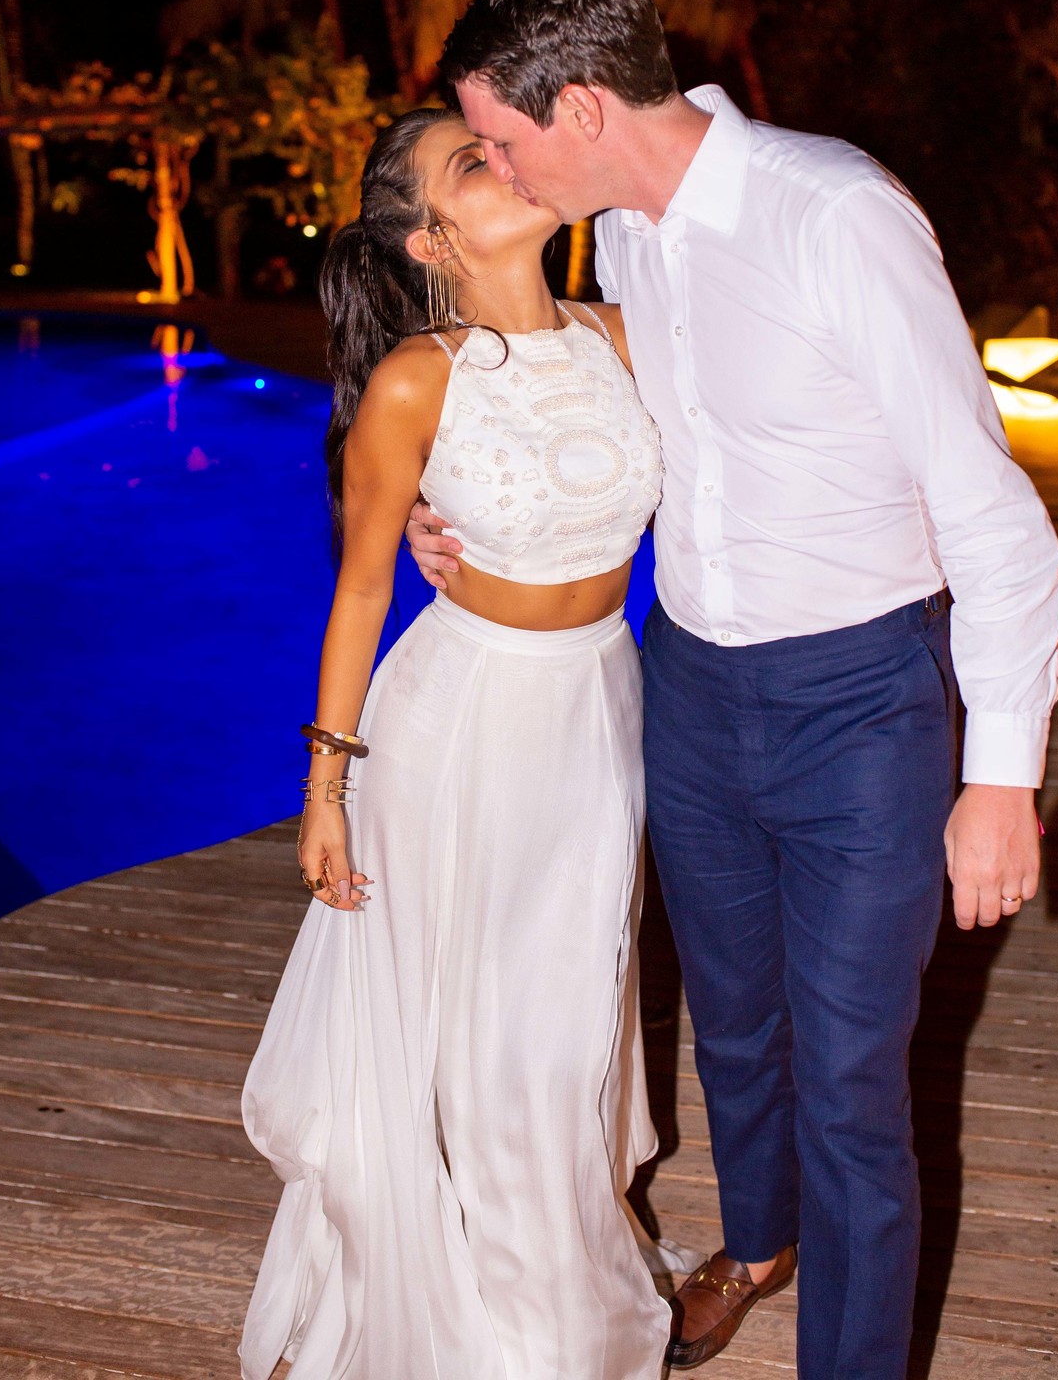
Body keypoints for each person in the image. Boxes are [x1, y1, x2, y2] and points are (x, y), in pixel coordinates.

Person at [406, 0, 1058, 1378]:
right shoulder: (626, 235)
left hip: (862, 706)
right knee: (735, 1026)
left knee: (851, 1085)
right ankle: (758, 1244)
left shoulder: (836, 215)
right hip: (692, 688)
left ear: (582, 109)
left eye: (503, 140)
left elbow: (992, 511)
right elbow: (600, 401)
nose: (496, 168)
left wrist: (1002, 777)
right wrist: (450, 503)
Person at [238, 105, 680, 1380]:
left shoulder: (621, 335)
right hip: (459, 725)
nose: (512, 158)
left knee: (566, 1017)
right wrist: (326, 788)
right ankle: (516, 1327)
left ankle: (548, 1283)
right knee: (478, 1035)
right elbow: (362, 590)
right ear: (431, 239)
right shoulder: (413, 380)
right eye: (474, 162)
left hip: (598, 709)